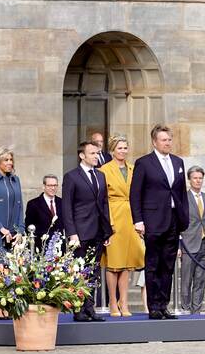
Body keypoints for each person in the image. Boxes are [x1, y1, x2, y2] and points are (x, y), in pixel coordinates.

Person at [129, 124, 190, 320]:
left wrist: (183, 217)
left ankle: (164, 305)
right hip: (153, 220)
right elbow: (135, 194)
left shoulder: (178, 162)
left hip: (173, 220)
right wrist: (138, 220)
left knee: (168, 265)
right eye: (164, 140)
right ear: (155, 142)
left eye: (170, 139)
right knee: (153, 264)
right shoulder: (144, 163)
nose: (168, 143)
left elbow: (181, 193)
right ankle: (153, 306)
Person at [61, 141, 113, 322]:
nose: (96, 156)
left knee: (94, 272)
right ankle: (78, 309)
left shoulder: (101, 175)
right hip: (80, 232)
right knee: (79, 271)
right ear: (82, 155)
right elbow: (67, 207)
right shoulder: (71, 177)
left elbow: (104, 204)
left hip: (98, 231)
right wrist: (72, 233)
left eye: (97, 153)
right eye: (92, 153)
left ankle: (90, 308)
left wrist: (107, 232)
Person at [100, 135, 144, 317]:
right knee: (113, 263)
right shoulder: (104, 170)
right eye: (120, 148)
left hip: (130, 216)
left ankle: (123, 302)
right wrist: (106, 224)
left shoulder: (133, 169)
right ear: (112, 150)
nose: (123, 151)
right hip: (113, 215)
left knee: (126, 263)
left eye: (125, 148)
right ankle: (112, 301)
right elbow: (101, 198)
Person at [180, 165, 205, 315]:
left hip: (203, 244)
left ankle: (197, 311)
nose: (198, 181)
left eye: (200, 178)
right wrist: (178, 245)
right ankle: (185, 309)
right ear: (189, 180)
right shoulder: (183, 198)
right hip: (188, 245)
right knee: (186, 280)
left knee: (200, 280)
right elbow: (178, 222)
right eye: (195, 178)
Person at [24, 175, 63, 252]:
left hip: (59, 248)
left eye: (55, 185)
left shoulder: (62, 202)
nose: (53, 188)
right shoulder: (33, 204)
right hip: (41, 248)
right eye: (50, 185)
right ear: (43, 186)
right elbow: (29, 227)